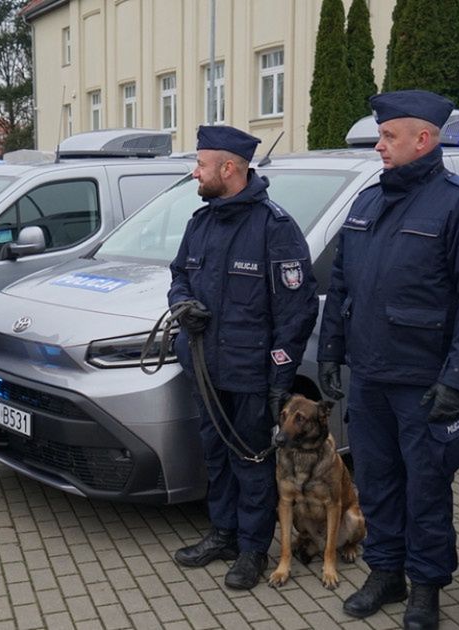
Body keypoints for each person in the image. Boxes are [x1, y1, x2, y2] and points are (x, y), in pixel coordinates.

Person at [318, 90, 459, 628]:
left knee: (424, 490)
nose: (379, 146)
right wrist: (332, 352)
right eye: (380, 136)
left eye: (387, 136)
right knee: (376, 483)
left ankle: (426, 586)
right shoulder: (369, 201)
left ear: (423, 139)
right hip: (371, 379)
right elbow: (343, 286)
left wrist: (458, 378)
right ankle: (386, 573)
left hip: (424, 383)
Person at [168, 125, 319, 590]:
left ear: (228, 169)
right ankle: (224, 535)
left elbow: (296, 311)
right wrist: (181, 306)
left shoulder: (275, 228)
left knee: (252, 464)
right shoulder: (201, 222)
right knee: (215, 456)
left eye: (201, 165)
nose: (195, 172)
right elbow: (179, 277)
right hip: (205, 368)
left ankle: (254, 550)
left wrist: (279, 375)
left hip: (251, 374)